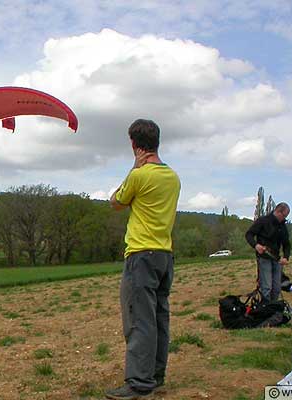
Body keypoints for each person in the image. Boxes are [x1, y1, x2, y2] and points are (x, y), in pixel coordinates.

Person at [105, 119, 181, 400]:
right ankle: (156, 376)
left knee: (139, 320)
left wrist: (134, 168)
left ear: (134, 144)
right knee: (160, 318)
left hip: (141, 255)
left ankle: (139, 383)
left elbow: (115, 202)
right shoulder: (173, 177)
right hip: (165, 255)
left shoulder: (139, 176)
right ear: (157, 142)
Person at [245, 203, 291, 304]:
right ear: (278, 212)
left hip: (277, 259)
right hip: (264, 258)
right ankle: (265, 309)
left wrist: (286, 257)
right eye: (284, 216)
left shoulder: (282, 226)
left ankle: (273, 308)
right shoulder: (263, 221)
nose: (284, 218)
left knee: (277, 288)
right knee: (266, 287)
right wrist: (256, 246)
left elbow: (287, 244)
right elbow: (249, 234)